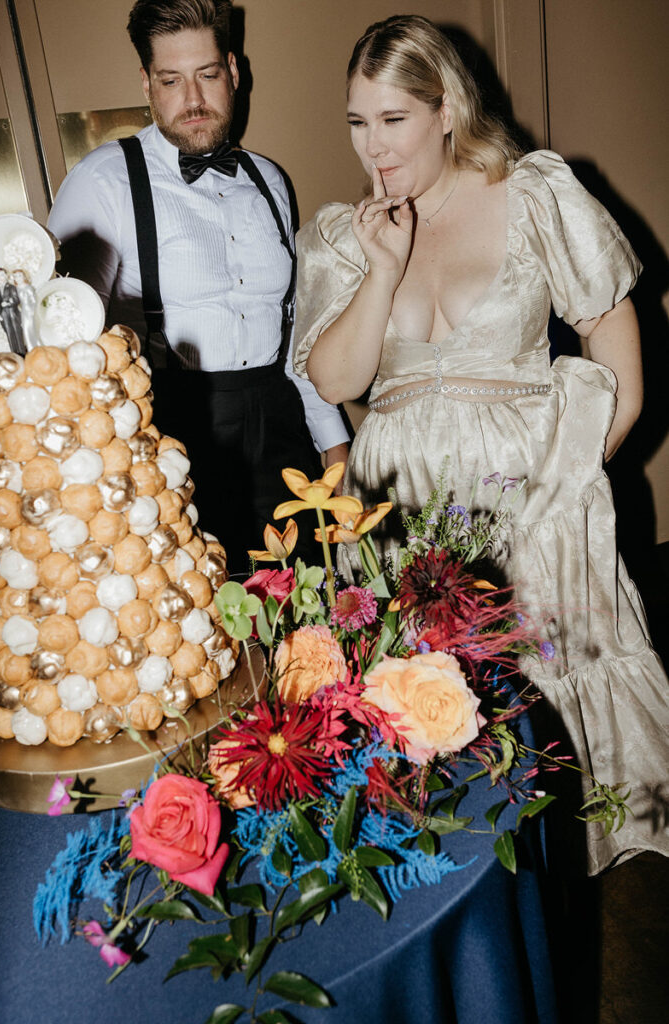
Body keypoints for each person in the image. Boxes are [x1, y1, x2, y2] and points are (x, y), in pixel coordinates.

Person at [294, 15, 669, 875]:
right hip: (402, 529)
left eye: (393, 121)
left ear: (446, 109)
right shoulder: (347, 234)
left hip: (533, 517)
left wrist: (560, 490)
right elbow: (335, 380)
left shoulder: (533, 194)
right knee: (430, 721)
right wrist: (382, 270)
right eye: (357, 121)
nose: (372, 147)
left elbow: (619, 365)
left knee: (545, 720)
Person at [48, 0, 349, 573]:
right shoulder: (103, 181)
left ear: (233, 72)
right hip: (173, 437)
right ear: (147, 82)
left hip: (282, 430)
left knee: (311, 614)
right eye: (171, 80)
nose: (192, 100)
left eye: (208, 76)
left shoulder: (270, 180)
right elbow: (67, 354)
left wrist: (335, 445)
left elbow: (295, 327)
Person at [0, 267, 25, 355]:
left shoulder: (11, 287)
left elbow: (16, 300)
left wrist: (8, 303)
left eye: (2, 275)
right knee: (9, 334)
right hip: (4, 315)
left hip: (13, 313)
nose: (0, 277)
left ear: (6, 276)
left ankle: (22, 353)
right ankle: (14, 354)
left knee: (17, 333)